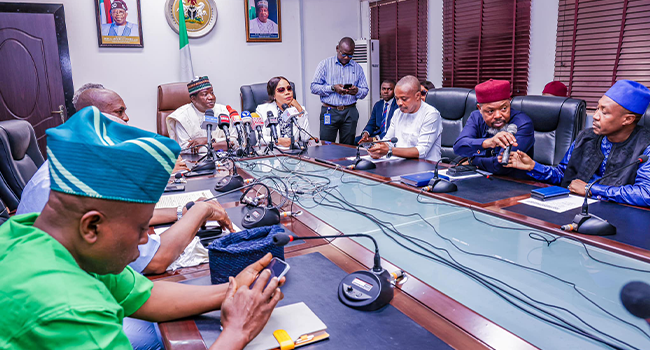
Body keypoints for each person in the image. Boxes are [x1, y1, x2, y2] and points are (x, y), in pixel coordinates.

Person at [0, 108, 283, 349]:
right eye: (141, 228)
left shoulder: (34, 235)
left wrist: (232, 291)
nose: (146, 239)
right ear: (92, 226)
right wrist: (237, 332)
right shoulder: (71, 311)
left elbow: (146, 295)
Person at [18, 87, 234, 275]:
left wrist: (181, 212)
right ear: (92, 119)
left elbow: (125, 217)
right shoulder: (78, 187)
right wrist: (200, 212)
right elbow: (155, 259)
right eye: (119, 112)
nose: (127, 119)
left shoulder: (74, 163)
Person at [502, 80, 650, 207]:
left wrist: (590, 189)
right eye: (597, 108)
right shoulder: (585, 137)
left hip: (620, 218)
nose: (596, 116)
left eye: (604, 112)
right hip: (575, 209)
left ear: (627, 120)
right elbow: (564, 175)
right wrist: (533, 166)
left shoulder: (645, 146)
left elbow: (645, 194)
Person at [453, 79, 535, 176]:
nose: (498, 116)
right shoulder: (476, 117)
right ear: (480, 109)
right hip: (478, 177)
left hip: (514, 183)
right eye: (490, 111)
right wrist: (487, 143)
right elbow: (459, 147)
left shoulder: (522, 123)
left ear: (509, 103)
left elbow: (501, 165)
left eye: (504, 108)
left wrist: (472, 160)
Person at [363, 75, 442, 162]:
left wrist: (389, 150)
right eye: (397, 99)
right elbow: (388, 140)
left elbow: (422, 151)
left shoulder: (431, 114)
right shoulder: (397, 113)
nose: (399, 103)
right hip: (399, 162)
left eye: (404, 99)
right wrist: (378, 149)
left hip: (426, 167)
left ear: (418, 96)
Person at [311, 37, 369, 145]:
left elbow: (365, 91)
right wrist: (333, 88)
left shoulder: (357, 68)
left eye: (350, 55)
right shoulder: (325, 64)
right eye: (344, 54)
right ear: (338, 49)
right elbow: (314, 87)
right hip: (329, 111)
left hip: (350, 111)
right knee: (326, 147)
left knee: (348, 147)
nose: (347, 57)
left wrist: (356, 91)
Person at [166, 76, 233, 153]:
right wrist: (222, 145)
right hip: (194, 162)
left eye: (212, 93)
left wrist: (209, 140)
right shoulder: (181, 116)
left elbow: (235, 141)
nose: (211, 97)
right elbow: (184, 148)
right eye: (205, 94)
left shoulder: (224, 111)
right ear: (193, 99)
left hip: (226, 160)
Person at [256, 76, 312, 147]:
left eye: (289, 89)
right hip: (272, 151)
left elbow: (305, 138)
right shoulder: (262, 109)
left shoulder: (300, 109)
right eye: (281, 90)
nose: (287, 93)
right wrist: (278, 141)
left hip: (294, 152)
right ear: (273, 95)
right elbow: (260, 138)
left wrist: (300, 111)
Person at [356, 79, 398, 144]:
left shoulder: (398, 106)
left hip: (390, 138)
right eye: (383, 89)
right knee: (356, 141)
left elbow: (395, 130)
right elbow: (371, 123)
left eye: (389, 89)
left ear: (395, 91)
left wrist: (375, 139)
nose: (386, 92)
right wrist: (365, 134)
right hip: (376, 135)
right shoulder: (378, 105)